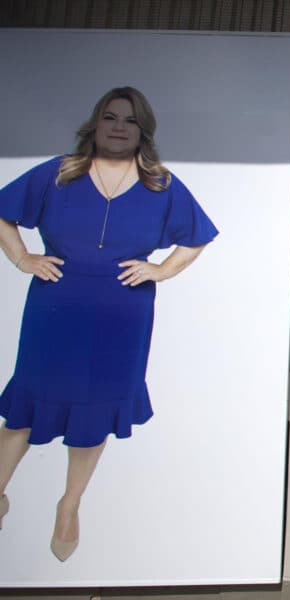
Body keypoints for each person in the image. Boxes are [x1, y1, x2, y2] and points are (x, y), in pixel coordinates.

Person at [0, 87, 218, 561]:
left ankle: (69, 503)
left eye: (130, 120)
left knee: (97, 407)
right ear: (95, 124)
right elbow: (3, 211)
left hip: (122, 316)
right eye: (110, 117)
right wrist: (22, 259)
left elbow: (197, 238)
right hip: (55, 305)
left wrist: (160, 269)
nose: (119, 127)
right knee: (27, 400)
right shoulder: (59, 173)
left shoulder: (161, 184)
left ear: (143, 131)